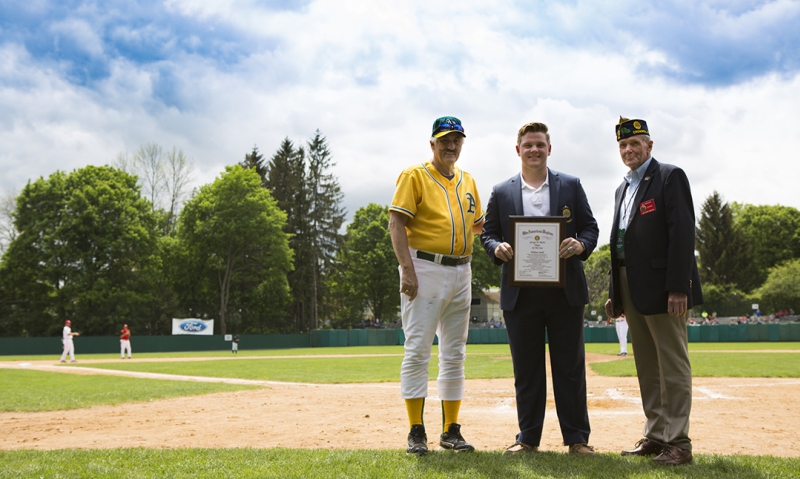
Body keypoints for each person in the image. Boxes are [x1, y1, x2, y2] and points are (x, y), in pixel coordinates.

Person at [481, 121, 599, 455]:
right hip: (521, 295)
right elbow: (487, 233)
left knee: (570, 368)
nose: (534, 150)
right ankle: (527, 439)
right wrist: (496, 248)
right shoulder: (502, 191)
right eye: (528, 145)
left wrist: (579, 244)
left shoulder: (571, 186)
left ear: (550, 148)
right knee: (527, 370)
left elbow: (591, 228)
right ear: (518, 150)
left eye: (540, 144)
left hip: (565, 292)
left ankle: (577, 440)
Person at [604, 117, 703, 466]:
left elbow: (682, 234)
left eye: (635, 144)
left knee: (672, 365)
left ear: (650, 145)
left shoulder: (669, 176)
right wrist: (616, 292)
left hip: (665, 288)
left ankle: (678, 442)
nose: (629, 150)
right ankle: (657, 434)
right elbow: (619, 244)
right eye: (623, 146)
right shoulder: (622, 188)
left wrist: (679, 286)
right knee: (647, 365)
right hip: (631, 286)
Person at [389, 116, 484, 456]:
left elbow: (477, 226)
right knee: (417, 350)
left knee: (455, 353)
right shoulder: (415, 175)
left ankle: (451, 430)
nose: (451, 145)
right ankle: (416, 430)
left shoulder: (468, 180)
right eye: (444, 139)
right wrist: (407, 269)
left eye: (456, 139)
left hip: (462, 271)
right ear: (432, 144)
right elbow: (396, 222)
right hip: (424, 267)